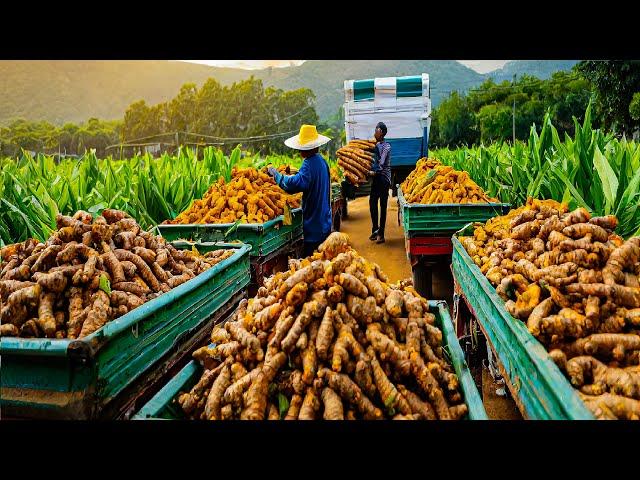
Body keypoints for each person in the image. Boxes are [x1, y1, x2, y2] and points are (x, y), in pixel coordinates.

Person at [267, 124, 333, 257]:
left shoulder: (309, 164)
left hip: (315, 228)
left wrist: (276, 175)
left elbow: (292, 185)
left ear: (308, 148)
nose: (299, 151)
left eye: (300, 148)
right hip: (324, 224)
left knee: (313, 265)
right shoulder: (322, 162)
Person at [368, 121, 391, 244]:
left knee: (382, 206)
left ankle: (381, 234)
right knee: (372, 202)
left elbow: (381, 164)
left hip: (384, 179)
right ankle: (375, 229)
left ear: (381, 132)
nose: (374, 132)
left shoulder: (387, 146)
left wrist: (372, 172)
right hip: (376, 178)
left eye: (376, 130)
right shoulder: (375, 146)